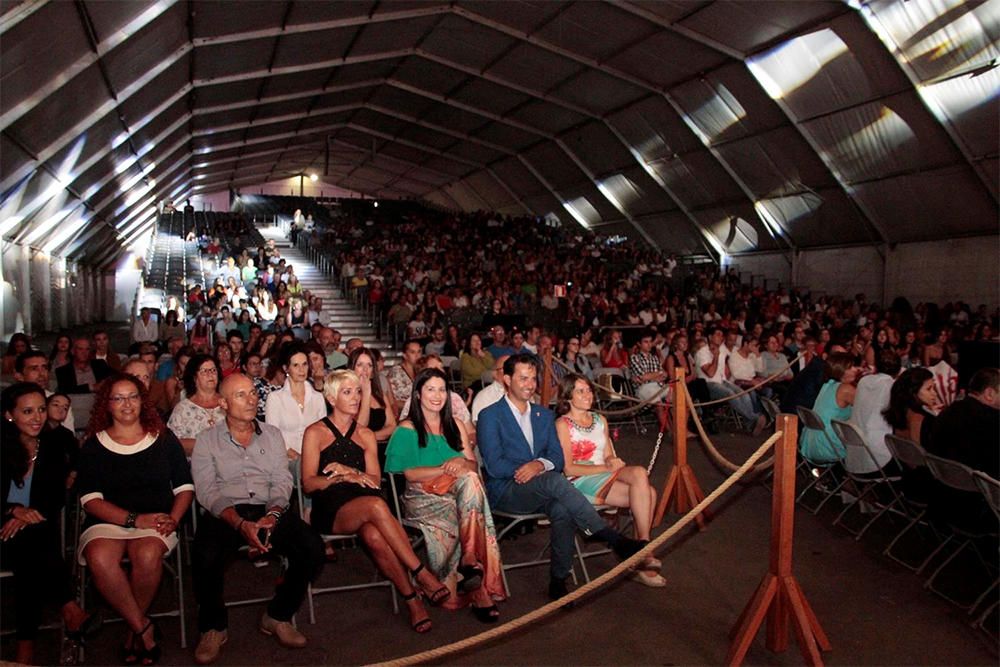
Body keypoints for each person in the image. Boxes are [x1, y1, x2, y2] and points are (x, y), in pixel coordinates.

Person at [477, 354, 646, 599]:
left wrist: (539, 464)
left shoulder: (543, 415)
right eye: (523, 378)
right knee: (555, 481)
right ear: (506, 379)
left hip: (542, 489)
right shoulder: (490, 415)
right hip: (507, 490)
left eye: (533, 379)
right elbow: (494, 465)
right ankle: (609, 536)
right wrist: (533, 466)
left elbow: (556, 459)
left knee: (563, 508)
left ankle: (558, 580)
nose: (529, 384)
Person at [300, 370, 449, 633]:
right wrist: (338, 480)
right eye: (347, 392)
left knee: (374, 536)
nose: (356, 397)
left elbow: (374, 481)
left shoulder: (366, 434)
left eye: (358, 391)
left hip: (364, 503)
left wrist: (351, 473)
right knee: (377, 505)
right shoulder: (316, 432)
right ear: (332, 398)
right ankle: (421, 572)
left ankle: (412, 601)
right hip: (331, 508)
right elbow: (309, 483)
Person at [191, 374, 324, 664]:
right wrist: (239, 523)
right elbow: (207, 491)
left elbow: (281, 481)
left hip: (269, 509)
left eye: (252, 393)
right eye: (241, 395)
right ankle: (213, 626)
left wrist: (273, 515)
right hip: (226, 512)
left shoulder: (273, 435)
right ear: (223, 403)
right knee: (204, 554)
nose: (251, 399)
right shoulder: (206, 441)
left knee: (312, 547)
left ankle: (278, 614)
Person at [76, 373, 194, 666]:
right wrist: (133, 519)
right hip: (110, 520)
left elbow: (184, 488)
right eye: (118, 398)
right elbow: (91, 500)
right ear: (107, 404)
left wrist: (174, 519)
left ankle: (133, 630)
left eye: (133, 396)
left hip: (157, 519)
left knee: (147, 554)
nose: (127, 404)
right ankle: (142, 627)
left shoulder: (164, 438)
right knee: (99, 557)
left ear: (143, 401)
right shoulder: (94, 445)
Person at [386, 368, 506, 620]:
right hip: (422, 498)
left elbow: (473, 467)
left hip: (460, 495)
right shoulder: (407, 429)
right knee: (473, 508)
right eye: (430, 389)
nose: (437, 395)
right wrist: (444, 468)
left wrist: (462, 464)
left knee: (472, 480)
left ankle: (473, 571)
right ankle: (472, 573)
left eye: (442, 389)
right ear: (418, 394)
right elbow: (408, 474)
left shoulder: (457, 426)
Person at [1, 383, 96, 665]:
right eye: (27, 411)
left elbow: (54, 498)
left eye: (41, 409)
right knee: (34, 540)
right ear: (9, 415)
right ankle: (70, 608)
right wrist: (12, 510)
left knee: (30, 546)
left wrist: (26, 515)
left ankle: (25, 646)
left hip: (34, 531)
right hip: (7, 527)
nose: (37, 418)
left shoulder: (53, 445)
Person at [554, 374, 665, 587]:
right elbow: (568, 467)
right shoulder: (563, 424)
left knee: (640, 473)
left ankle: (642, 547)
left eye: (589, 390)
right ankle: (642, 554)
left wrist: (612, 460)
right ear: (568, 397)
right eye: (581, 391)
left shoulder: (599, 419)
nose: (588, 395)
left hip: (604, 473)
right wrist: (606, 466)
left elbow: (607, 454)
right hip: (579, 478)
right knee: (648, 494)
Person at [928, 367, 998, 477]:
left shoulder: (947, 412)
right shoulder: (991, 421)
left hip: (945, 483)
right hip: (978, 489)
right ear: (989, 393)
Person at [264, 341, 326, 459]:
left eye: (304, 364)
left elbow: (322, 433)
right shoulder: (275, 398)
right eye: (296, 365)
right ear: (286, 368)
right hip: (284, 460)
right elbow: (272, 435)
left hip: (313, 459)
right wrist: (296, 457)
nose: (301, 370)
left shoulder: (317, 398)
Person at [846, 349, 901, 476]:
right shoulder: (893, 387)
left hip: (855, 448)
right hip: (878, 456)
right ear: (898, 370)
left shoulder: (863, 381)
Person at [798, 352, 858, 464]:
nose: (856, 369)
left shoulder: (827, 385)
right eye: (851, 367)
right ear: (841, 370)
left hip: (810, 442)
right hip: (827, 447)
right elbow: (867, 407)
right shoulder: (846, 389)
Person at [167, 354, 225, 456]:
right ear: (194, 377)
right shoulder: (183, 409)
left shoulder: (227, 403)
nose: (210, 374)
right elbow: (172, 444)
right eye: (204, 371)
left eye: (213, 370)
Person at [15, 349, 76, 434]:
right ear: (19, 376)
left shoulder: (59, 401)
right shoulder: (10, 401)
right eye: (34, 369)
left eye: (44, 368)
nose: (41, 374)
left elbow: (69, 438)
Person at [348, 347, 397, 445]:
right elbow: (358, 429)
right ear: (352, 368)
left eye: (369, 365)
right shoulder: (347, 395)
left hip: (378, 446)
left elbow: (392, 426)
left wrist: (371, 437)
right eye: (360, 365)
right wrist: (366, 394)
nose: (365, 369)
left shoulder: (379, 394)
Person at [883, 367, 941, 449]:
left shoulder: (901, 410)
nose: (934, 394)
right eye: (929, 389)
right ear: (913, 392)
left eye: (934, 388)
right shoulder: (919, 419)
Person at [386, 339, 423, 415]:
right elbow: (392, 401)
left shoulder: (421, 370)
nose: (417, 356)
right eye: (413, 352)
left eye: (419, 352)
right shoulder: (396, 372)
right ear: (405, 355)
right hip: (402, 413)